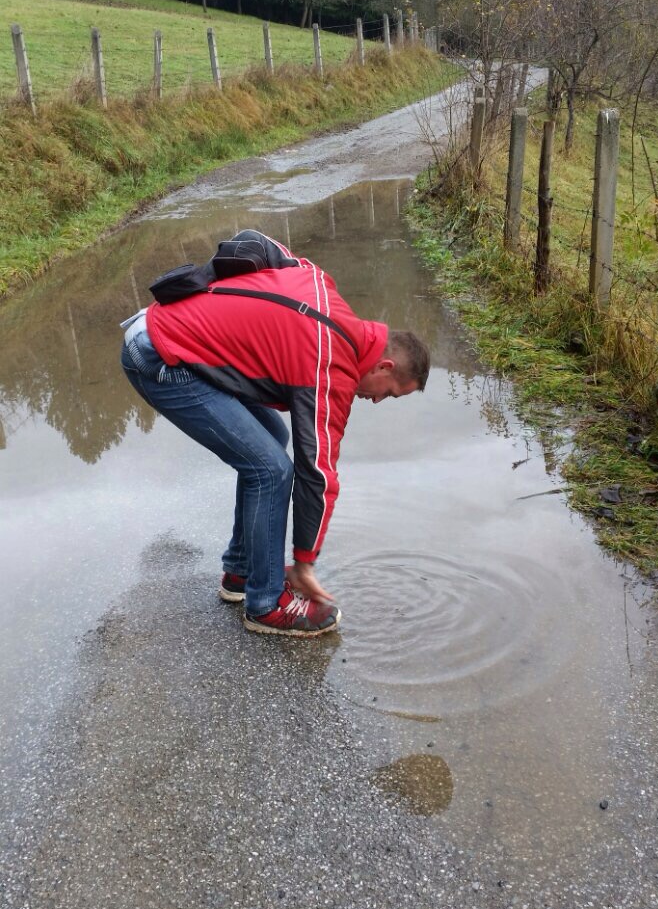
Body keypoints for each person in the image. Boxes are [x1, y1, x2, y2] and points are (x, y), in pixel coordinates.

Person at [121, 229, 430, 637]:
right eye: (388, 395)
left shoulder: (324, 288)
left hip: (167, 330)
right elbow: (318, 473)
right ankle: (265, 605)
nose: (375, 401)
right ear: (384, 367)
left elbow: (259, 244)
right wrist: (304, 562)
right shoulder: (331, 368)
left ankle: (241, 571)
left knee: (270, 438)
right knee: (270, 469)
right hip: (161, 355)